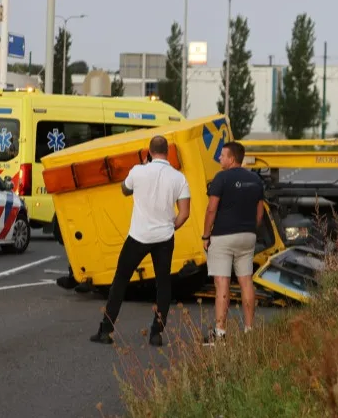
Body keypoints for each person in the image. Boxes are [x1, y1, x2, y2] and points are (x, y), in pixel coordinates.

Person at [90, 135, 191, 347]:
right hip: (164, 237)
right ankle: (156, 333)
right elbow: (184, 213)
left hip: (138, 236)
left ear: (149, 151)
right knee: (163, 284)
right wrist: (171, 226)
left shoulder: (137, 171)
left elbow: (124, 189)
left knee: (120, 280)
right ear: (168, 152)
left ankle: (106, 330)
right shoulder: (178, 178)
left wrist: (142, 169)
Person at [202, 140, 264, 344]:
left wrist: (205, 235)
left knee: (222, 283)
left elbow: (211, 209)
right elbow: (260, 210)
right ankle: (249, 332)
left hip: (223, 237)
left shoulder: (221, 178)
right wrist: (251, 229)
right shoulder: (255, 180)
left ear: (232, 158)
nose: (220, 158)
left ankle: (220, 334)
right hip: (248, 236)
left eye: (222, 155)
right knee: (246, 281)